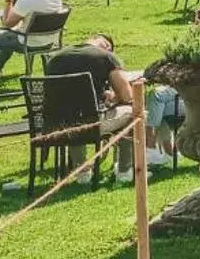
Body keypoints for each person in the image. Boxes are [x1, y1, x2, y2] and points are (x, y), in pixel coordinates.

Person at [44, 34, 151, 180]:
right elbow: (127, 96)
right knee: (136, 113)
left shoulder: (55, 58)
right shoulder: (106, 57)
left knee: (72, 114)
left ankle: (82, 173)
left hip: (55, 125)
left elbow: (68, 93)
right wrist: (113, 97)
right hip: (91, 123)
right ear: (107, 46)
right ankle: (125, 170)